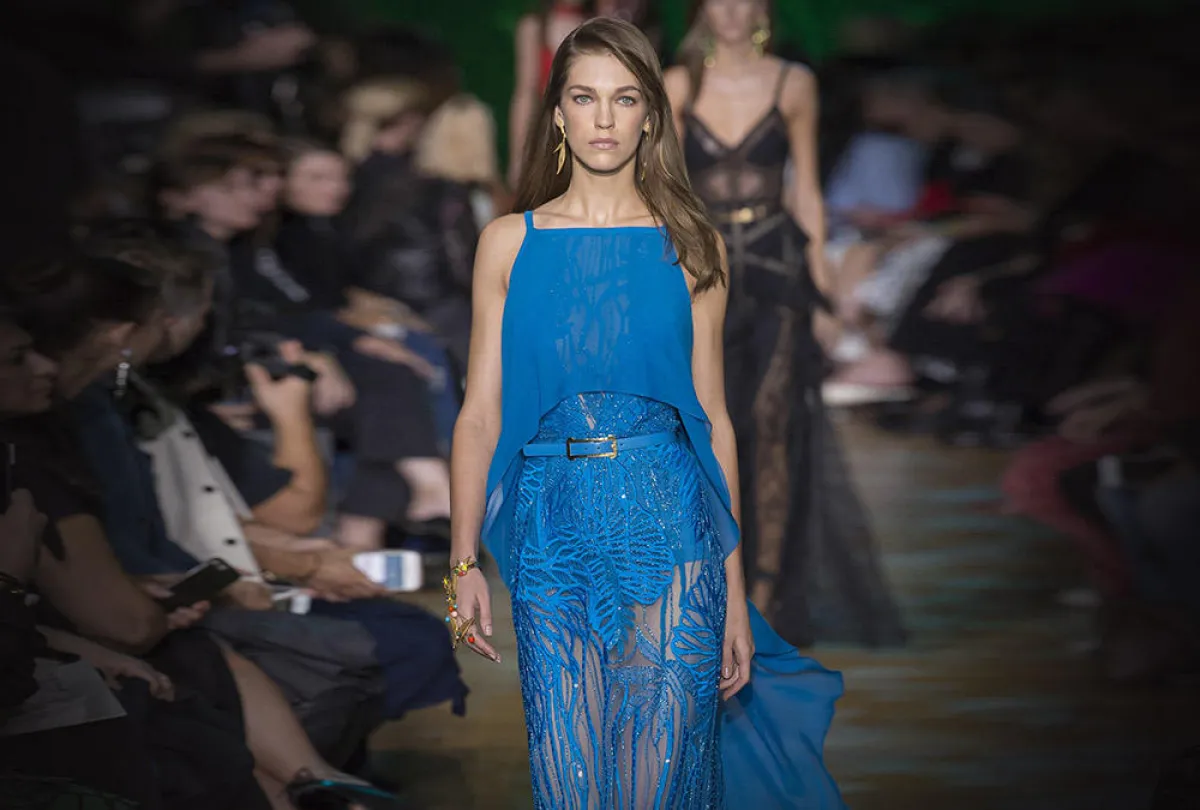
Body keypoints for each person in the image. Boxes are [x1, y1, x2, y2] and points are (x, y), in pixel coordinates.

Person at [449, 18, 844, 808]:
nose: (604, 118)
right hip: (550, 526)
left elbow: (712, 420)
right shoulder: (508, 242)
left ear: (652, 117)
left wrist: (734, 592)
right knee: (569, 778)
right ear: (557, 114)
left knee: (660, 781)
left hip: (672, 519)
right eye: (584, 97)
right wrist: (462, 564)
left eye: (625, 99)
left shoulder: (693, 245)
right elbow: (479, 415)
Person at [665, 0, 905, 647]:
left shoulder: (794, 84)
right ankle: (712, 584)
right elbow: (665, 186)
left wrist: (823, 290)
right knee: (706, 425)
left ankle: (767, 592)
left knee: (773, 428)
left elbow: (804, 189)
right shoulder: (677, 83)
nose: (731, 11)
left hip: (777, 267)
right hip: (703, 271)